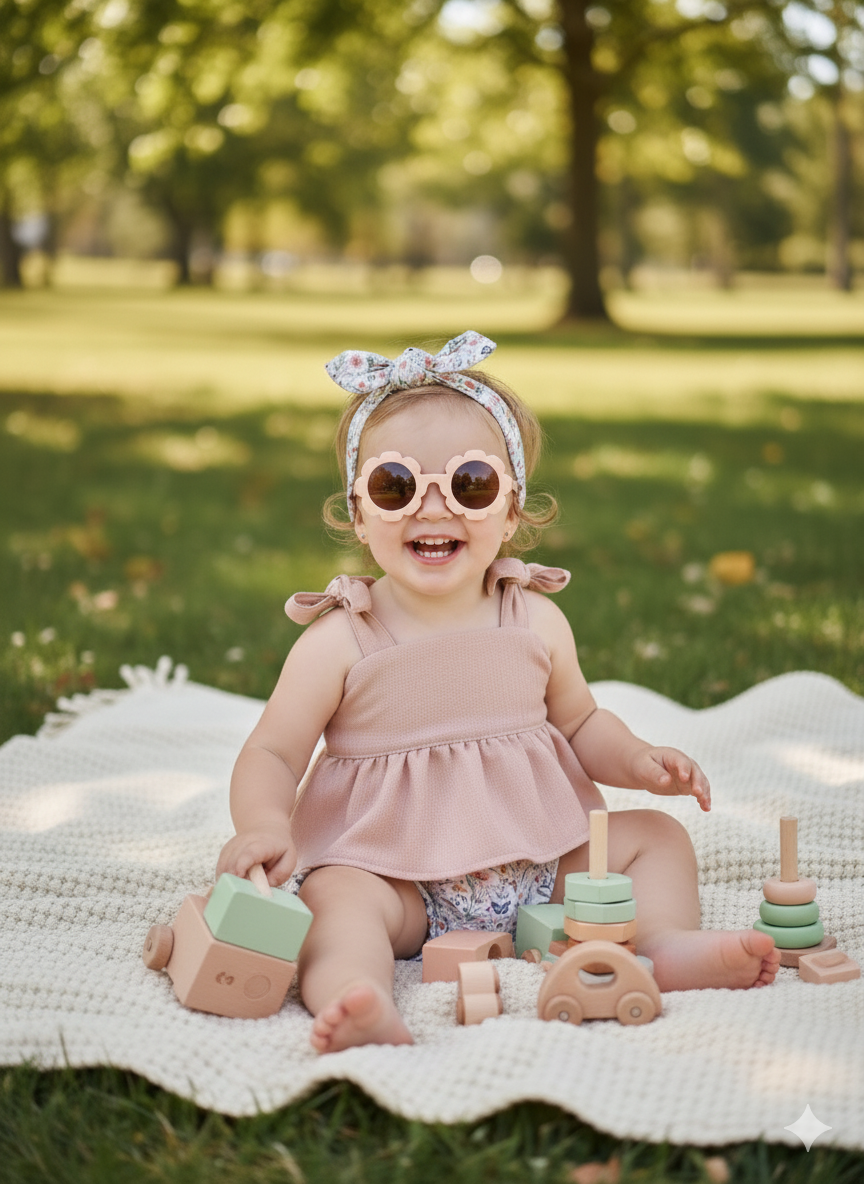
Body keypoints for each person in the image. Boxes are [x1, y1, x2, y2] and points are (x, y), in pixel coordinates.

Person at [216, 331, 779, 1053]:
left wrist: (637, 760)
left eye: (470, 484)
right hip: (398, 878)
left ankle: (665, 946)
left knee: (658, 839)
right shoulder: (340, 640)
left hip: (539, 865)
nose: (432, 507)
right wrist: (262, 822)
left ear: (512, 511)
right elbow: (273, 750)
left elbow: (579, 722)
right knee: (338, 901)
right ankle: (356, 996)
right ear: (357, 513)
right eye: (395, 486)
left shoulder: (536, 620)